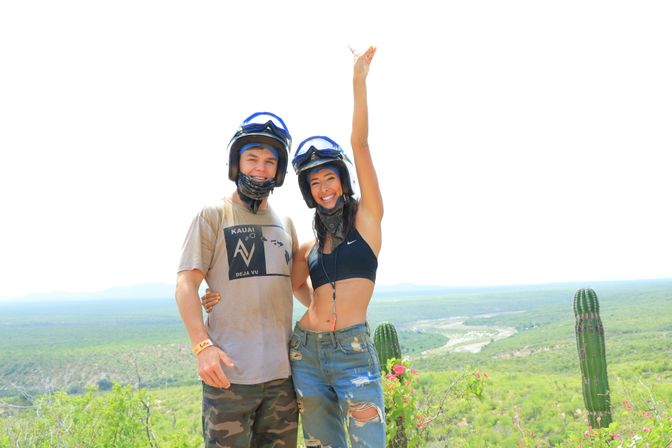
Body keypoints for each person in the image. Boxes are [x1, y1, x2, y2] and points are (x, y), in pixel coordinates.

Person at [175, 111, 302, 448]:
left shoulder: (286, 223)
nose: (260, 169)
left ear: (279, 170)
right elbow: (186, 283)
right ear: (236, 163)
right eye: (252, 159)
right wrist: (203, 348)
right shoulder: (213, 215)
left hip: (281, 380)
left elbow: (297, 286)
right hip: (229, 379)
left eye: (269, 162)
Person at [289, 45, 385, 448]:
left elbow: (359, 144)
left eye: (329, 178)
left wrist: (358, 82)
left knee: (369, 442)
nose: (324, 188)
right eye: (315, 183)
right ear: (309, 192)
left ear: (342, 181)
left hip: (353, 351)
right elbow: (296, 287)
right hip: (306, 354)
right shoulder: (308, 244)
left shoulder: (367, 220)